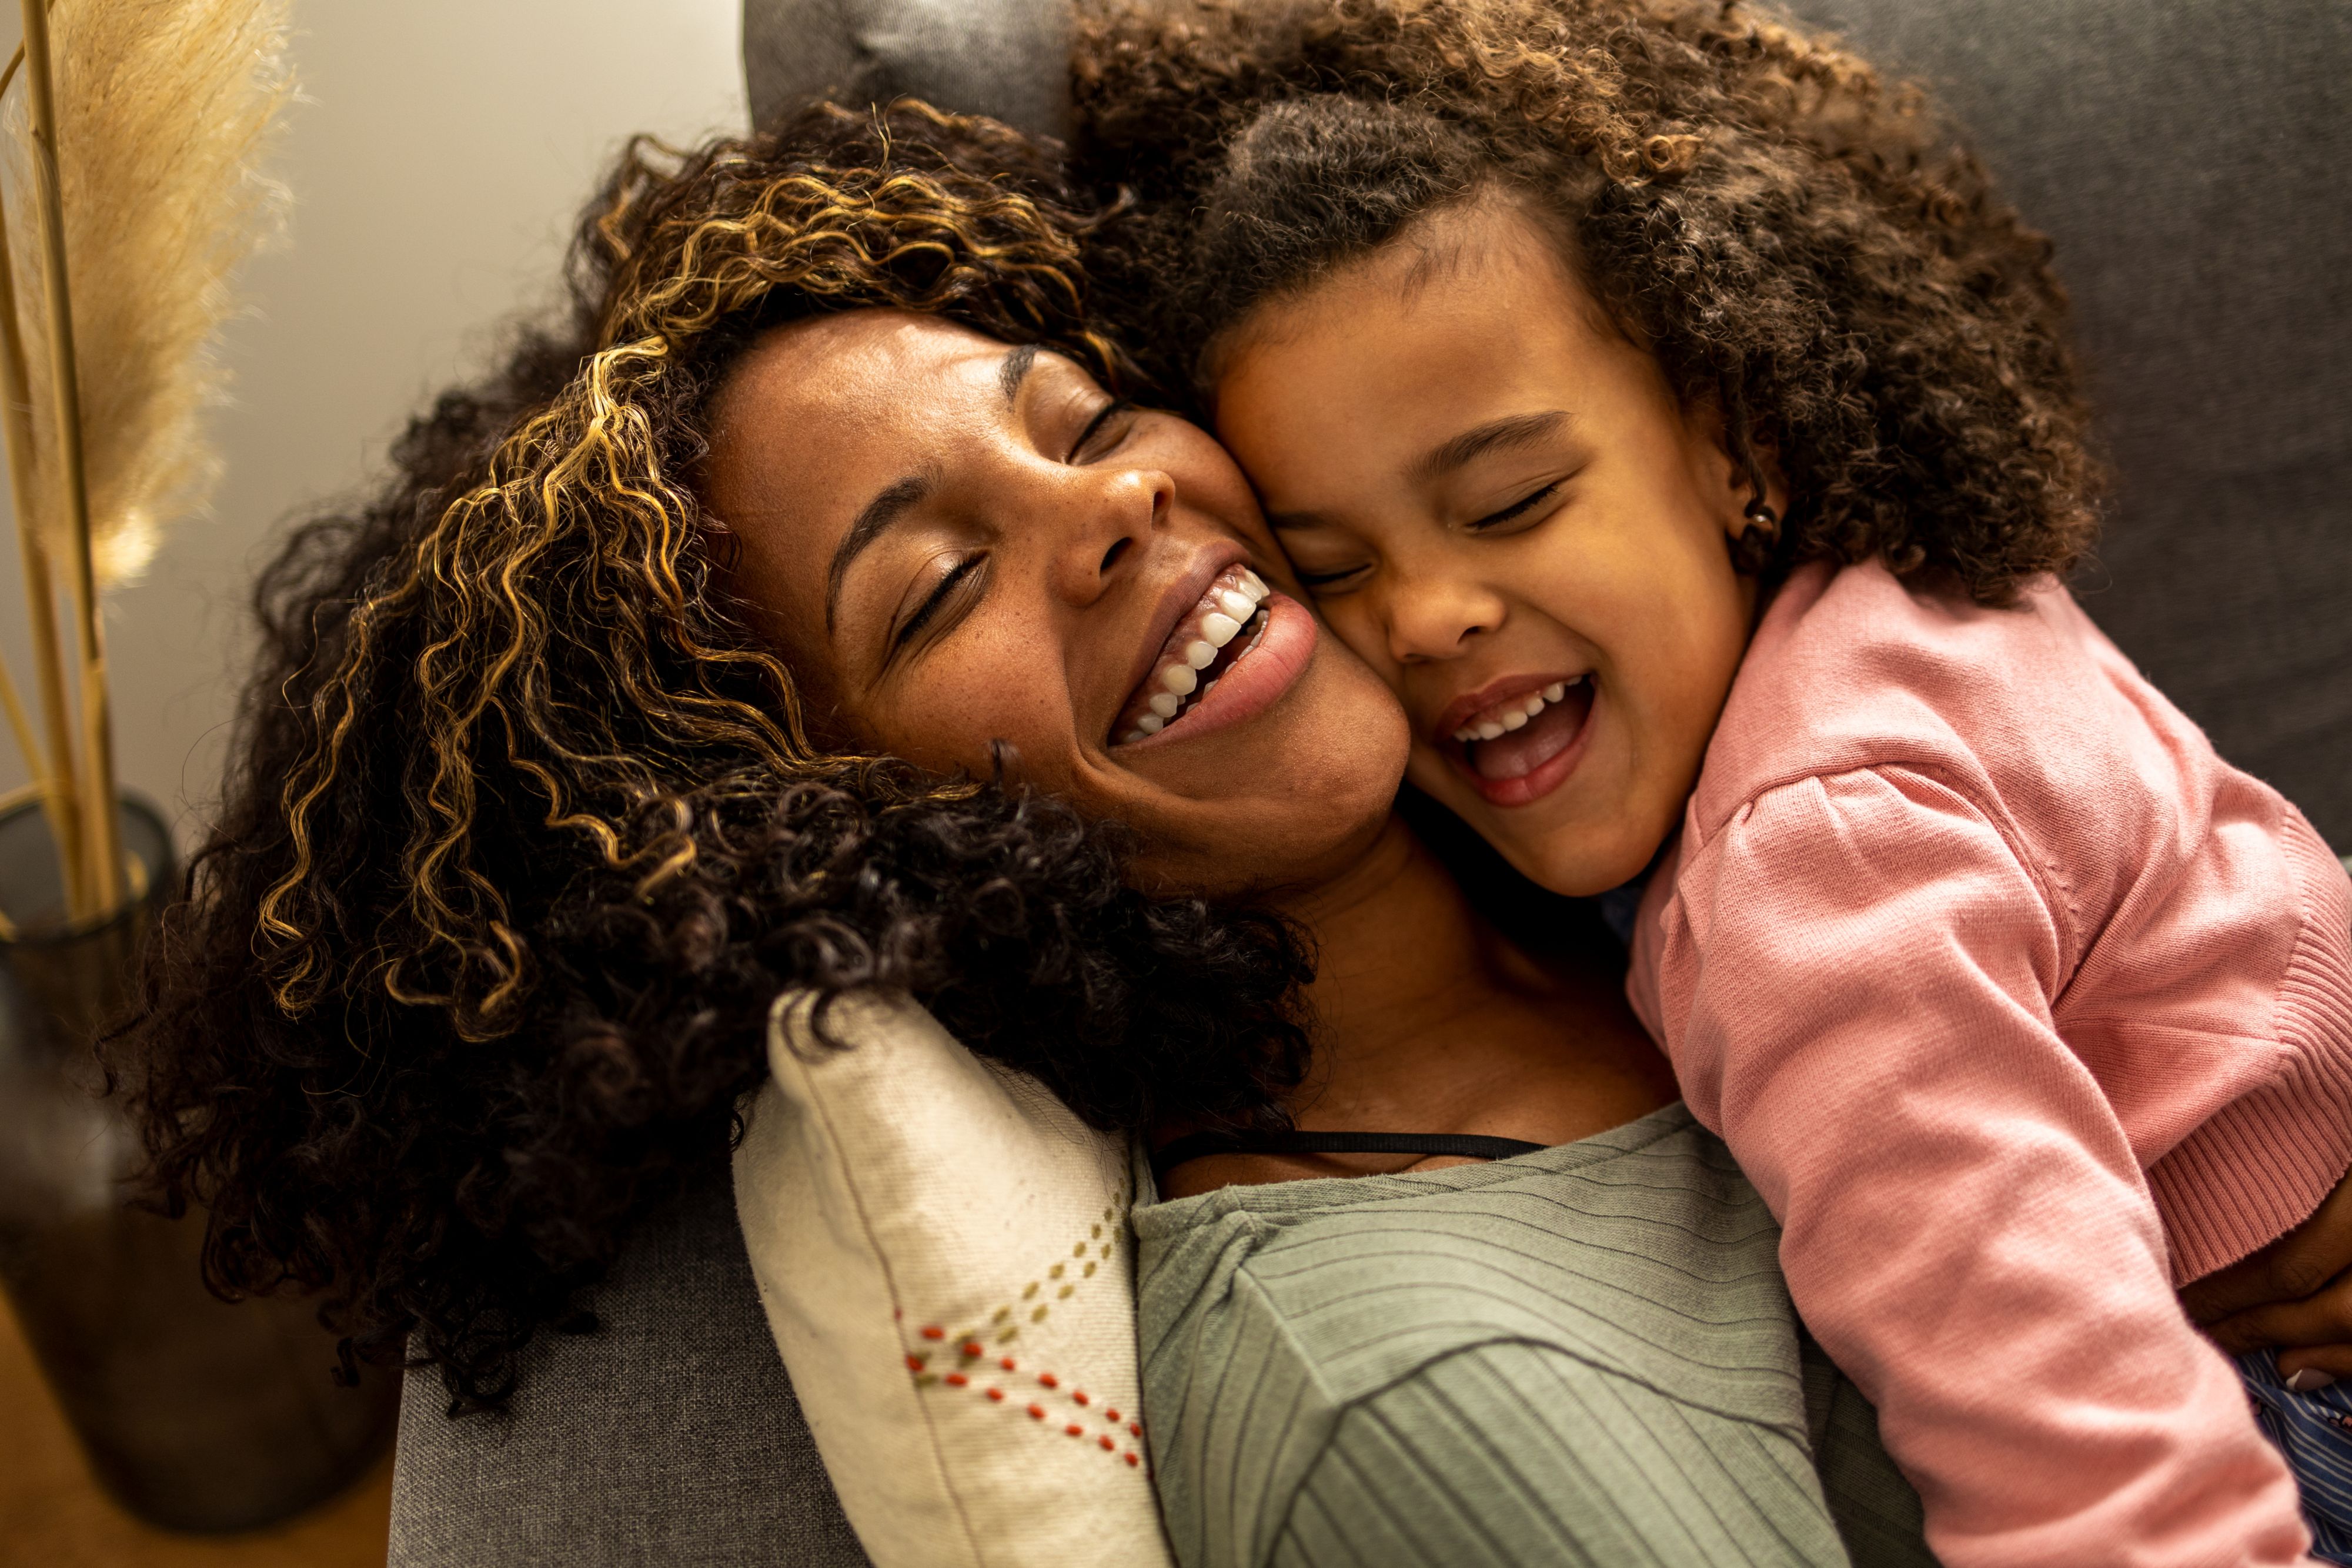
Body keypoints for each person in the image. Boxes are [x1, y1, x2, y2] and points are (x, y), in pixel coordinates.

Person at [120, 96, 1932, 1563]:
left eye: (1083, 417)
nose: (1117, 507)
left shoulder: (1613, 808)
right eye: (932, 592)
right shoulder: (1404, 1401)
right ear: (839, 830)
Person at [1069, 0, 2352, 1562]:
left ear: (1736, 436)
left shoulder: (1804, 868)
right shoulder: (1912, 596)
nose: (1425, 614)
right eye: (1329, 568)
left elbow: (2118, 1503)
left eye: (1514, 496)